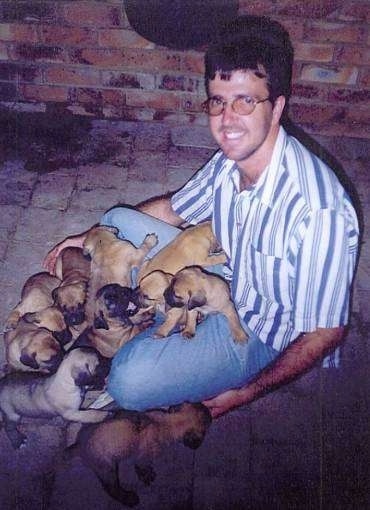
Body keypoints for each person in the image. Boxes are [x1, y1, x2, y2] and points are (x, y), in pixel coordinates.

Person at [44, 16, 359, 418]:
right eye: (218, 101)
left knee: (126, 381)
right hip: (225, 273)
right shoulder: (232, 161)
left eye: (246, 101)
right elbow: (173, 209)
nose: (227, 121)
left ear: (277, 106)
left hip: (259, 328)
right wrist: (91, 235)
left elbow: (326, 331)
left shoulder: (319, 213)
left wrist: (249, 392)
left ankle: (187, 357)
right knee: (117, 221)